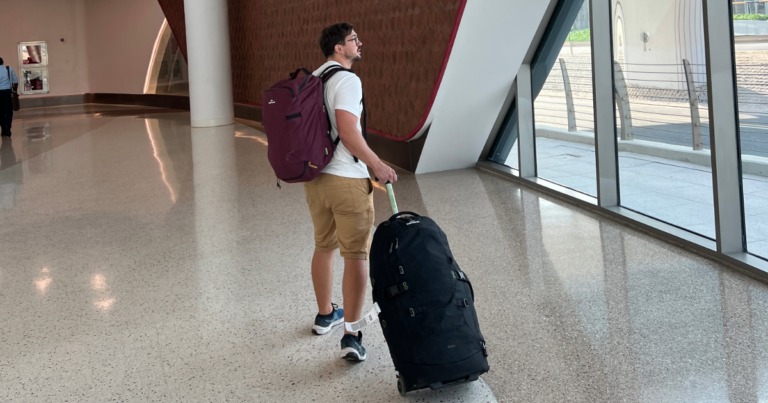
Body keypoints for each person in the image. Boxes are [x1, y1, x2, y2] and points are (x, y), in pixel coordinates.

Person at [305, 22, 397, 362]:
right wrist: (377, 165)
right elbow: (347, 131)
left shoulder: (314, 78)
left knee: (323, 246)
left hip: (316, 180)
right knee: (356, 255)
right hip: (346, 179)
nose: (360, 43)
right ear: (338, 49)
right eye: (353, 40)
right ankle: (352, 334)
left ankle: (325, 314)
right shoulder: (347, 79)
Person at [0, 58, 19, 138]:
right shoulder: (8, 69)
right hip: (8, 93)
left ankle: (4, 129)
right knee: (8, 112)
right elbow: (15, 80)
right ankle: (7, 128)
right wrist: (14, 90)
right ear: (2, 62)